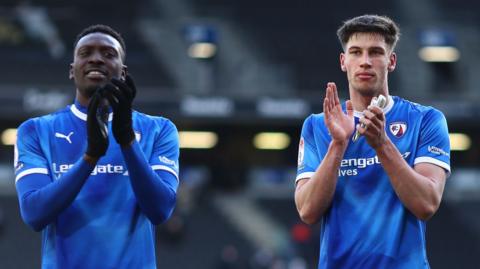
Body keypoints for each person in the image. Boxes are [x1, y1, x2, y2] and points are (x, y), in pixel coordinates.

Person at [14, 24, 180, 268]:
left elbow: (160, 210)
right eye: (86, 53)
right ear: (72, 70)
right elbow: (34, 214)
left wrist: (127, 141)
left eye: (108, 54)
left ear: (123, 73)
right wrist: (90, 157)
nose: (96, 59)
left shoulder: (160, 129)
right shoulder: (35, 130)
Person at [294, 15, 450, 269]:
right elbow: (308, 211)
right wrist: (338, 144)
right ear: (344, 62)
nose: (365, 62)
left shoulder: (426, 120)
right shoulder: (317, 126)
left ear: (392, 61)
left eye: (375, 52)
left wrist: (382, 145)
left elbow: (427, 203)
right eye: (356, 52)